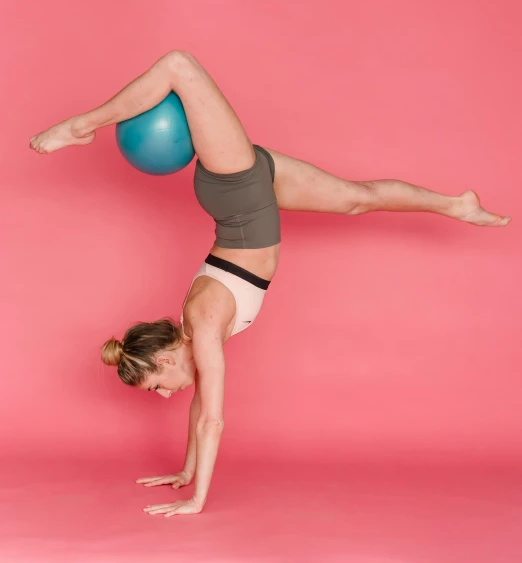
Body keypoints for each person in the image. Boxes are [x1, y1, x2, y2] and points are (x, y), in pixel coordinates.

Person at [29, 51, 511, 517]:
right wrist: (186, 471)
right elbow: (201, 404)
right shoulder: (196, 337)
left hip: (237, 188)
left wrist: (197, 499)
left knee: (180, 67)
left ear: (168, 357)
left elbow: (212, 419)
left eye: (156, 384)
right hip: (252, 194)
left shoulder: (201, 323)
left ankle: (80, 126)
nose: (164, 395)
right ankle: (456, 205)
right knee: (356, 199)